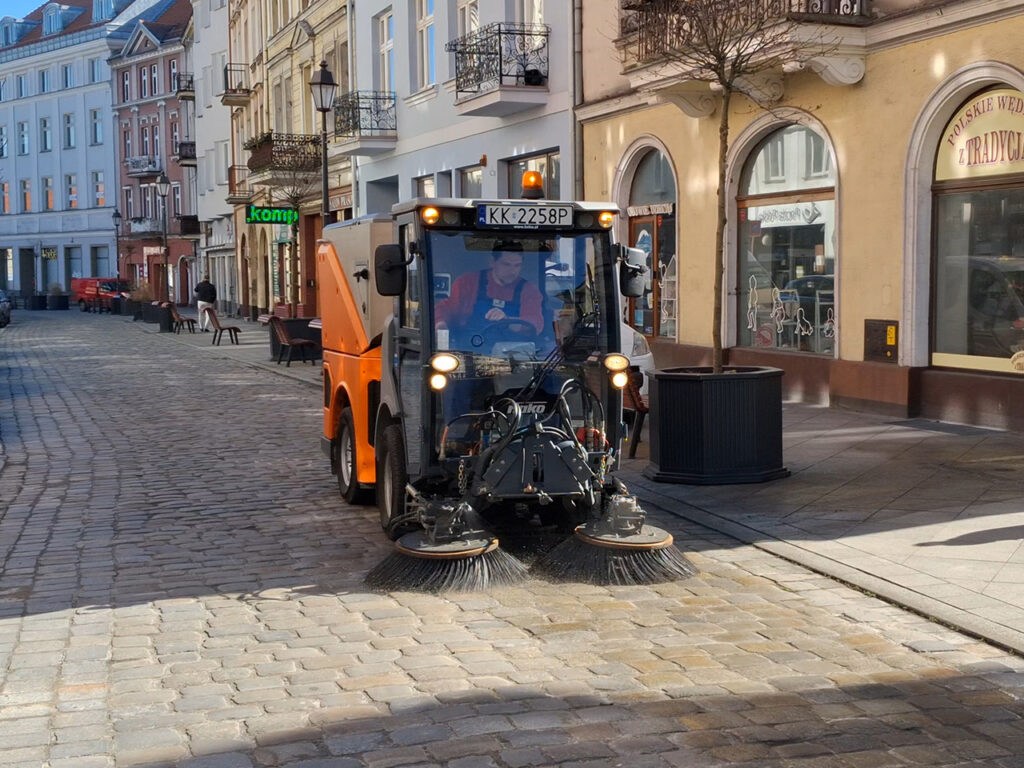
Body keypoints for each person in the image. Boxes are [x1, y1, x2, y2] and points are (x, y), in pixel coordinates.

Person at [435, 252, 544, 348]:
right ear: (492, 262)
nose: (512, 271)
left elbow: (534, 324)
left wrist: (507, 321)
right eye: (506, 264)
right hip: (470, 351)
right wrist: (441, 326)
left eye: (517, 265)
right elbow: (445, 309)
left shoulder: (529, 290)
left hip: (514, 355)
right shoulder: (467, 283)